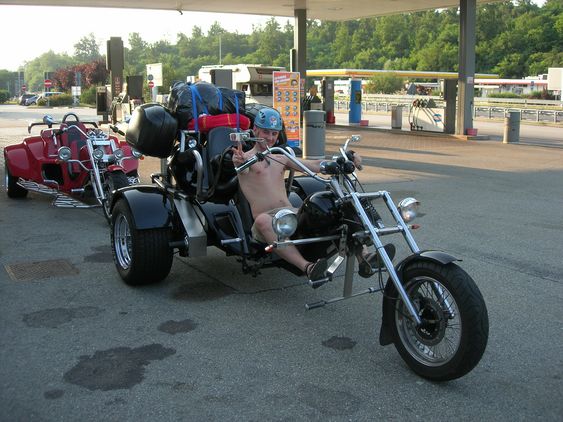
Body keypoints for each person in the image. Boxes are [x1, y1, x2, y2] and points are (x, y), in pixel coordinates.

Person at [231, 107, 391, 283]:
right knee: (263, 220)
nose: (270, 137)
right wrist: (238, 161)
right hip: (268, 220)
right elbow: (241, 169)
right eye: (265, 132)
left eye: (274, 133)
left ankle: (365, 257)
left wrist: (342, 160)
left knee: (334, 207)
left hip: (290, 214)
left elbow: (313, 165)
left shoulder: (280, 157)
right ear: (255, 130)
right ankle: (308, 267)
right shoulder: (246, 159)